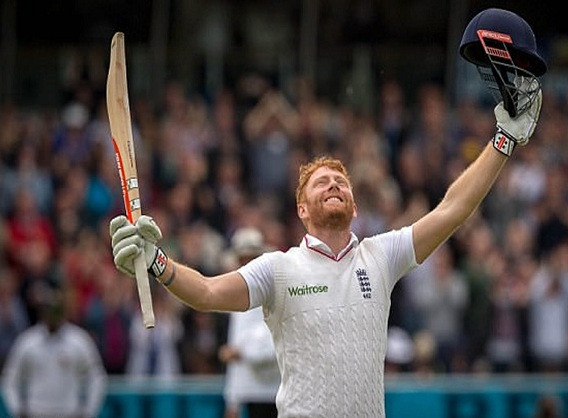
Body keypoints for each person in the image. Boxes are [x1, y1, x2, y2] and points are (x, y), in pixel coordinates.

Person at [109, 13, 543, 414]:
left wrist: (503, 140)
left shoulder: (381, 256)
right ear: (302, 210)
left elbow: (453, 209)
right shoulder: (277, 270)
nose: (334, 184)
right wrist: (156, 260)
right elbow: (204, 292)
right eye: (321, 182)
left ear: (354, 206)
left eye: (341, 182)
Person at [1, 286, 107, 418]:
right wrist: (17, 409)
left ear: (63, 312)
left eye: (56, 310)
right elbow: (10, 378)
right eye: (48, 310)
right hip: (36, 412)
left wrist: (89, 411)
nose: (52, 315)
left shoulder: (79, 341)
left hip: (69, 413)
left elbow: (97, 377)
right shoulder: (28, 342)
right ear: (42, 312)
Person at [219, 227, 280, 418]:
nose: (246, 265)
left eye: (251, 259)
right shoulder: (237, 299)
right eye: (242, 260)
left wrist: (242, 352)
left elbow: (279, 344)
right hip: (253, 395)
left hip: (275, 393)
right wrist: (232, 400)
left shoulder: (275, 294)